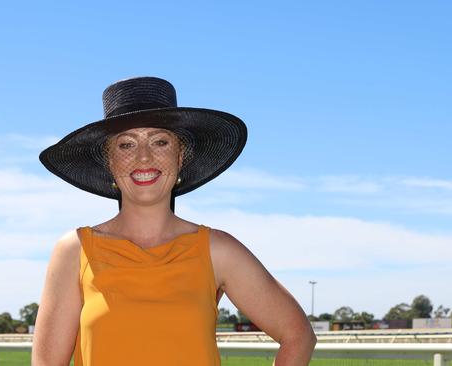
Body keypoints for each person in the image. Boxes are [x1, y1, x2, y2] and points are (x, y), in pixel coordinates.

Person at [32, 76, 316, 365]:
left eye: (160, 142)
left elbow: (298, 335)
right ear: (110, 162)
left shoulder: (218, 250)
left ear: (180, 156)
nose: (144, 157)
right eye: (126, 145)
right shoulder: (75, 251)